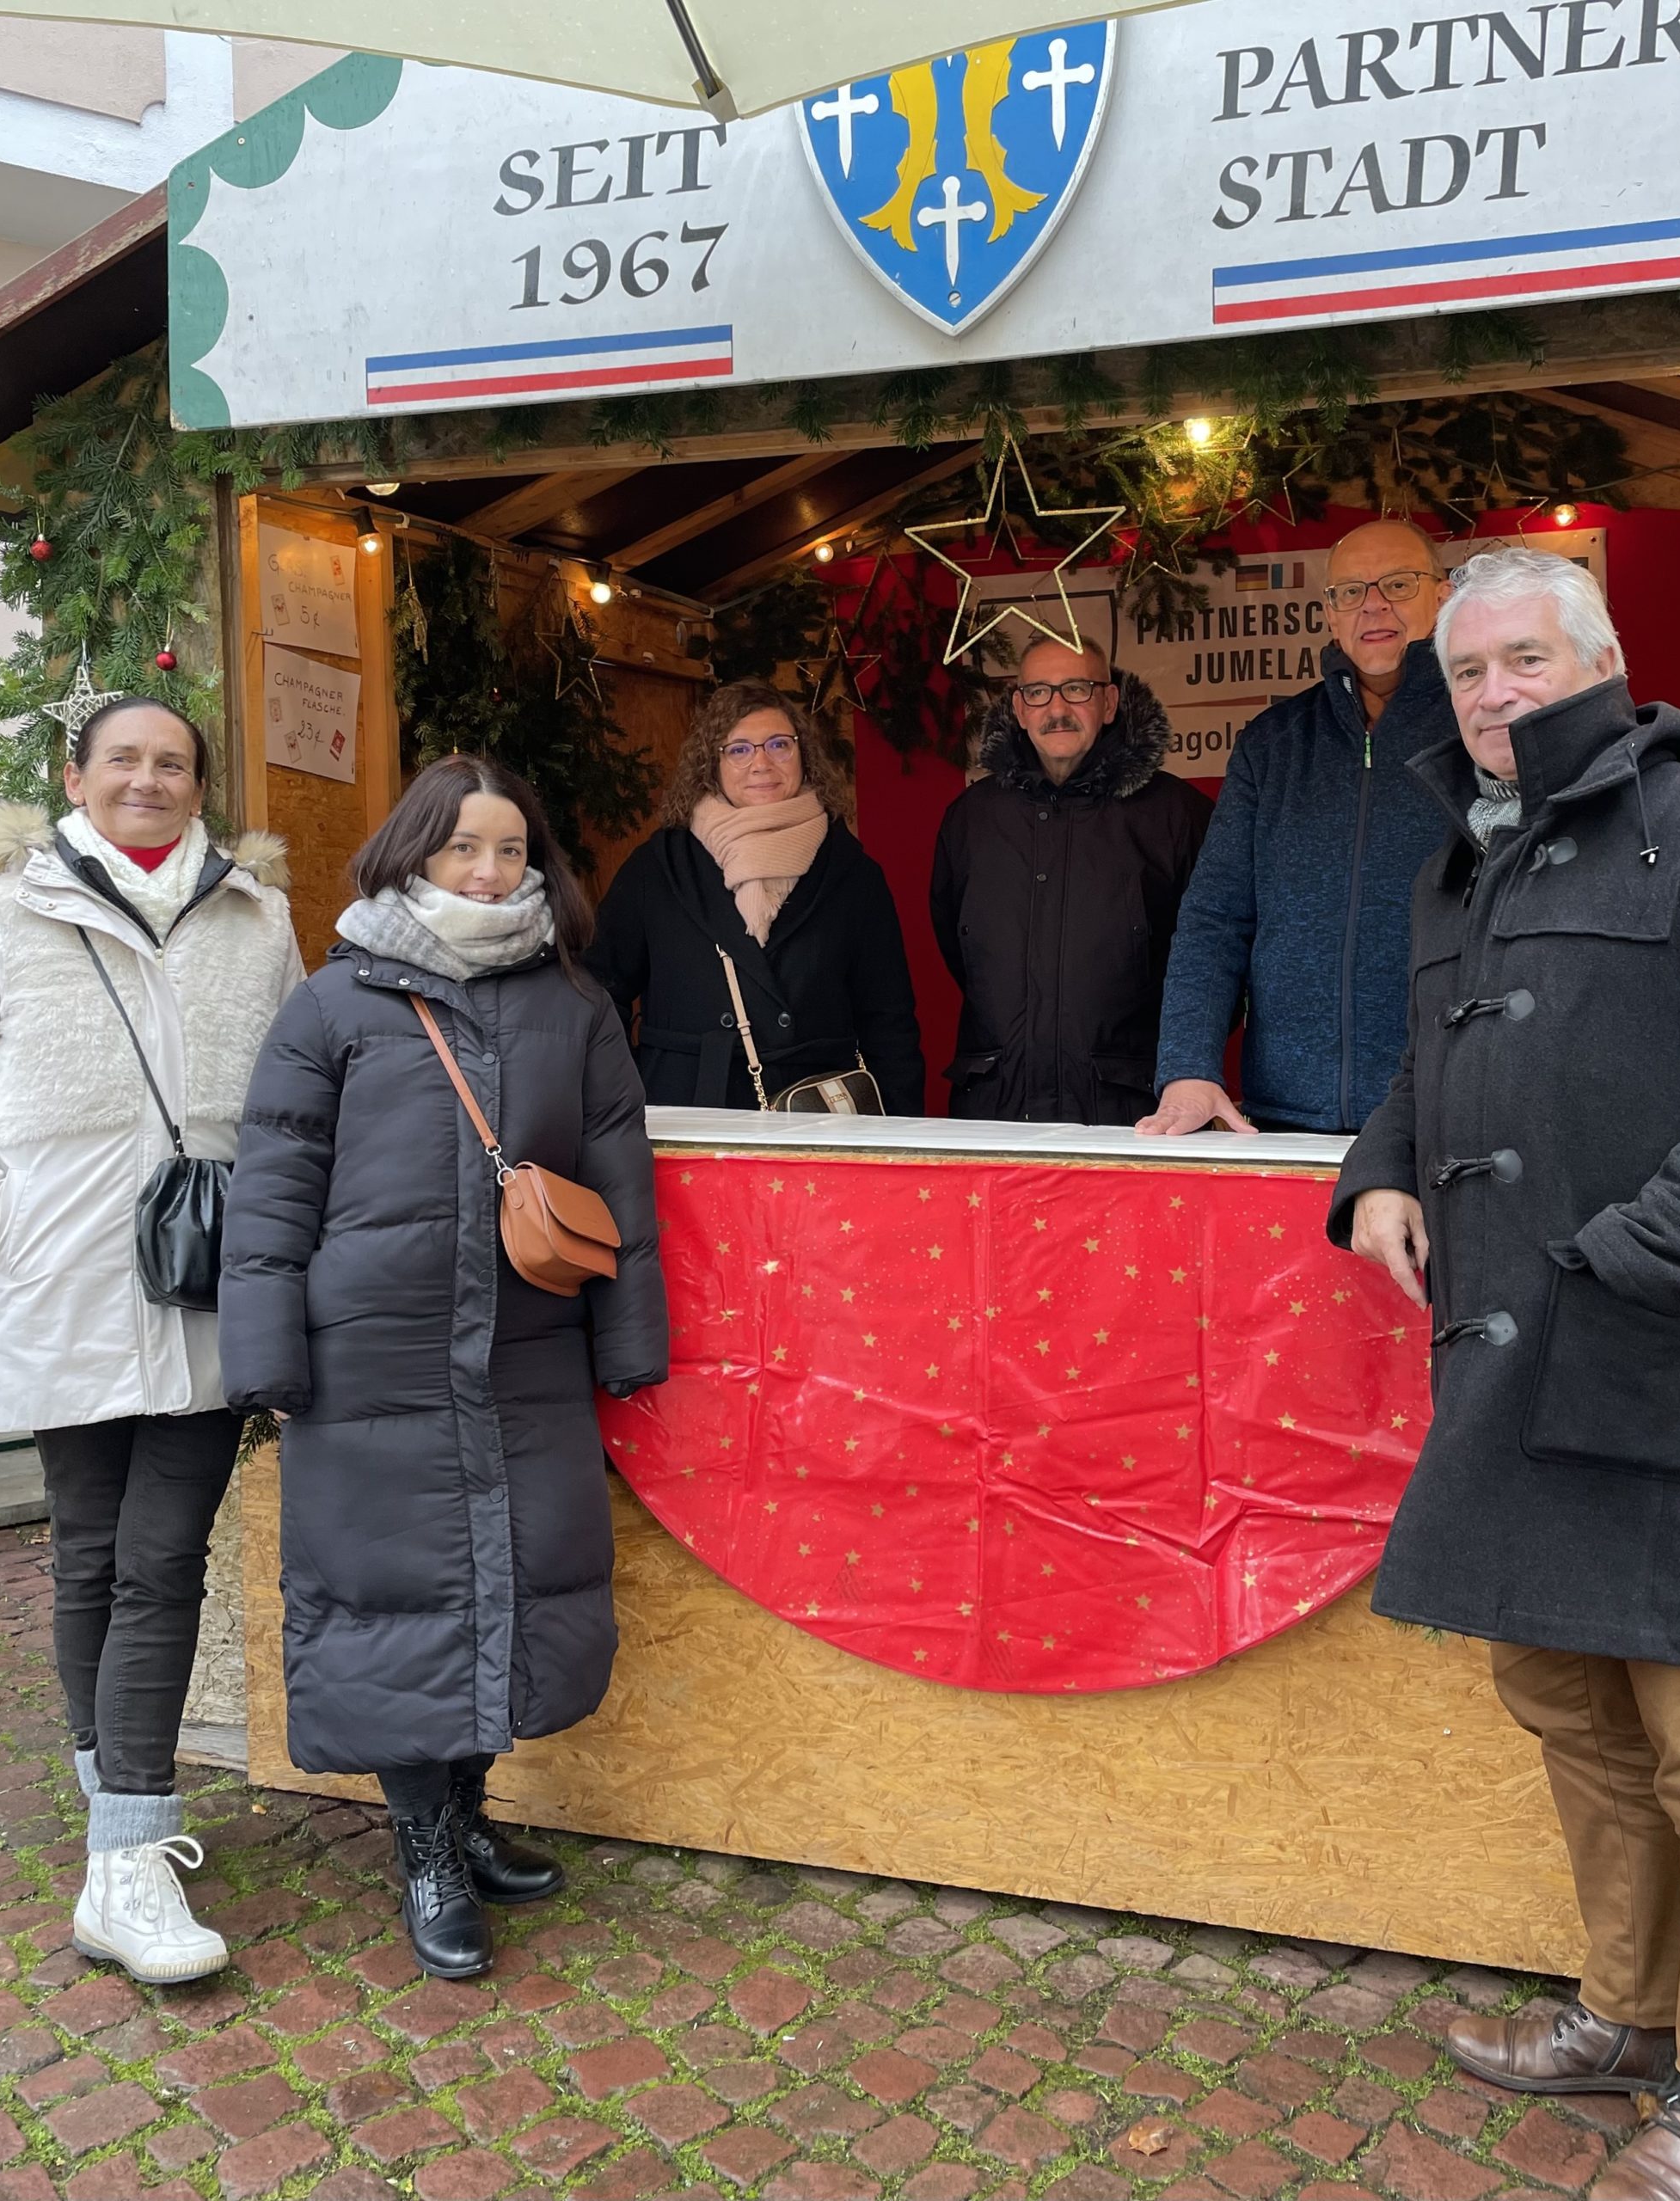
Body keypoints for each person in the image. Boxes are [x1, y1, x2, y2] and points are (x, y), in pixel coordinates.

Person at [1330, 543, 1680, 2201]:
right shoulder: (1460, 867)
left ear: (1601, 661)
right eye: (1466, 674)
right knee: (1560, 1697)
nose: (1490, 698)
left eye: (1521, 665)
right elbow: (1430, 1057)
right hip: (1507, 1371)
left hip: (1667, 1355)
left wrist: (1637, 1261)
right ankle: (1627, 2015)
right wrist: (1384, 1169)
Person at [219, 755, 666, 1979]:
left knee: (502, 1587)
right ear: (415, 851)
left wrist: (630, 1342)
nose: (489, 868)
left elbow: (621, 1181)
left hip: (523, 1355)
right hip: (368, 1360)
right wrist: (263, 1353)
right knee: (393, 1601)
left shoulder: (567, 1004)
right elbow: (271, 1192)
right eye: (465, 846)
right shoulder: (332, 1006)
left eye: (511, 850)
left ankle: (466, 1817)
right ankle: (421, 1844)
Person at [0, 696, 301, 1983]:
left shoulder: (255, 917)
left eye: (172, 763)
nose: (148, 779)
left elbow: (296, 1094)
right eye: (123, 759)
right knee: (88, 1552)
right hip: (64, 1280)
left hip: (206, 1286)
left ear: (197, 785)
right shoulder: (2, 915)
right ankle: (114, 1810)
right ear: (76, 775)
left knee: (161, 1554)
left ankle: (128, 1848)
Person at [1142, 516, 1456, 1136]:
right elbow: (1215, 919)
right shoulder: (1274, 744)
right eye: (1349, 593)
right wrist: (1187, 1066)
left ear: (1443, 596)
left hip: (1443, 1117)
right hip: (1286, 1119)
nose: (1373, 606)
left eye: (1397, 584)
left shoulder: (1483, 735)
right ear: (1330, 615)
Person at [588, 681, 923, 1113]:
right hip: (689, 1108)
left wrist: (898, 1134)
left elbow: (889, 1020)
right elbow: (598, 989)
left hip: (818, 1114)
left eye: (779, 745)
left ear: (804, 755)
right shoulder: (658, 868)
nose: (761, 763)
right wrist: (629, 1089)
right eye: (740, 749)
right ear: (713, 764)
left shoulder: (853, 873)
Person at [930, 635, 1211, 1124]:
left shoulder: (1176, 816)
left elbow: (1215, 963)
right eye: (1039, 692)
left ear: (1109, 702)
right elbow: (959, 948)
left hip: (1132, 1112)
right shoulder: (971, 819)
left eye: (1077, 689)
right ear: (1019, 708)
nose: (1056, 708)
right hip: (996, 1108)